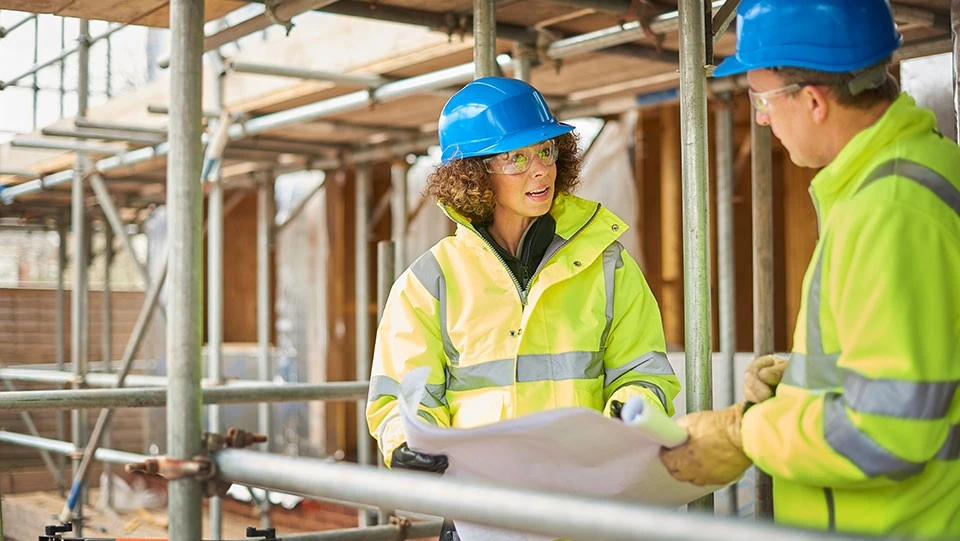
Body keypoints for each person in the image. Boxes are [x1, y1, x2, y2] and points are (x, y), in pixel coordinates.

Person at [659, 0, 960, 538]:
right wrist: (802, 383)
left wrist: (743, 433)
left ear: (815, 100)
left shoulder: (888, 211)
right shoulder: (919, 172)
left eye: (762, 98)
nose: (761, 117)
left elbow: (887, 432)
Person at [366, 76, 680, 539]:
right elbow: (399, 400)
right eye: (515, 157)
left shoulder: (608, 265)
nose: (540, 170)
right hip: (482, 520)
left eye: (546, 151)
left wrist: (625, 419)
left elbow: (645, 372)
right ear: (473, 174)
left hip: (587, 511)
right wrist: (407, 446)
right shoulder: (430, 281)